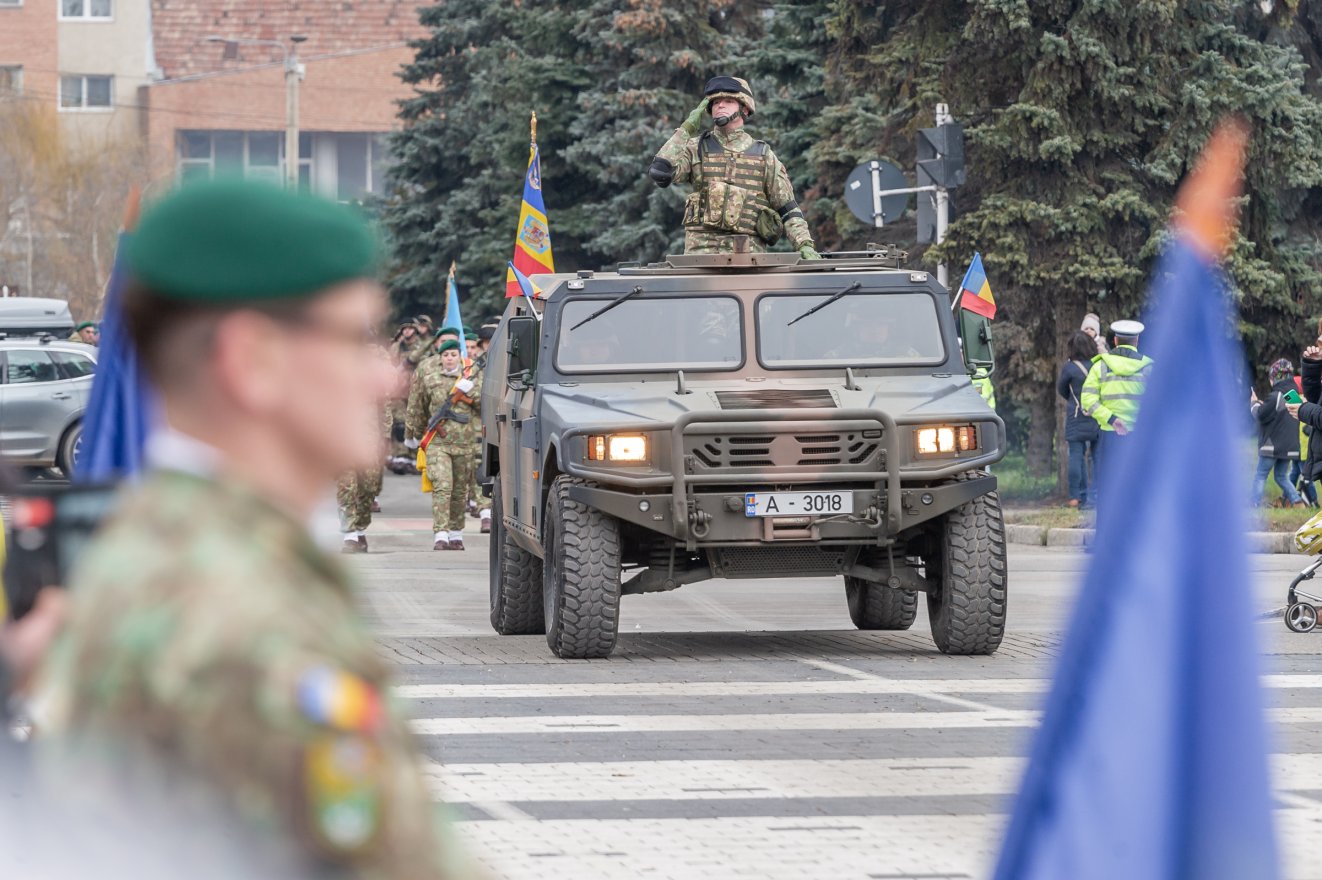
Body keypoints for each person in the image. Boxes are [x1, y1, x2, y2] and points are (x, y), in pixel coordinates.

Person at [31, 179, 467, 878]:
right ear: (253, 360)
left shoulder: (192, 556)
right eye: (350, 339)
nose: (387, 380)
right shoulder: (236, 621)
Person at [649, 75, 820, 258]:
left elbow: (788, 208)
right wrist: (686, 129)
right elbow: (661, 172)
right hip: (700, 257)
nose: (720, 106)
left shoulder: (763, 155)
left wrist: (804, 244)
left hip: (748, 257)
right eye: (715, 102)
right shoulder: (695, 148)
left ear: (744, 108)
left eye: (728, 101)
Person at [405, 339, 482, 551]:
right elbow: (419, 406)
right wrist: (413, 434)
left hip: (465, 443)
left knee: (459, 490)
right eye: (445, 355)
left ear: (460, 357)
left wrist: (469, 393)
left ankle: (456, 534)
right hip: (438, 442)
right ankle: (440, 534)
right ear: (440, 358)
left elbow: (484, 405)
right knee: (443, 486)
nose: (449, 358)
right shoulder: (431, 377)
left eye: (453, 355)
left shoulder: (472, 376)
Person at [1080, 319, 1153, 477]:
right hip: (1140, 434)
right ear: (1137, 341)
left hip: (1109, 434)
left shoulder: (1100, 366)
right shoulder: (1149, 368)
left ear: (1115, 340)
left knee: (1109, 482)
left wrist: (1112, 419)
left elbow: (1087, 400)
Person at [1251, 358, 1305, 508]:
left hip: (1272, 446)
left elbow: (1260, 415)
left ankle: (1255, 503)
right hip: (1290, 446)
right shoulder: (1293, 397)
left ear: (1274, 378)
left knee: (1261, 475)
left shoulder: (1276, 396)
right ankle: (1297, 501)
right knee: (1281, 476)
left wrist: (1254, 403)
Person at [1057, 330, 1101, 508]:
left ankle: (1076, 497)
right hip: (1098, 416)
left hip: (1076, 415)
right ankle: (1097, 495)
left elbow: (1062, 389)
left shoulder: (1069, 368)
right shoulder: (1098, 366)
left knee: (1076, 456)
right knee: (1097, 458)